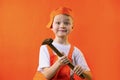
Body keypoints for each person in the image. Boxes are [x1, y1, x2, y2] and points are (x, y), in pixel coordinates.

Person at [34, 6, 92, 80]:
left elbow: (90, 77)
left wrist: (82, 72)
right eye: (58, 23)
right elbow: (45, 76)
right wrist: (58, 63)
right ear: (51, 26)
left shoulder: (76, 51)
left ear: (72, 27)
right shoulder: (45, 48)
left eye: (67, 23)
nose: (62, 26)